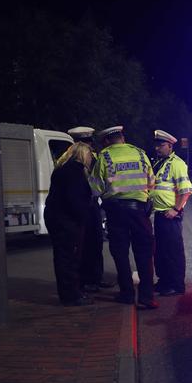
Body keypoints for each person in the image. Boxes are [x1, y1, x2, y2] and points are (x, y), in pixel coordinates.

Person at [88, 126, 158, 309]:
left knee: (120, 252)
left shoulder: (105, 156)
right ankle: (147, 297)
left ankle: (126, 294)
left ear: (106, 141)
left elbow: (95, 189)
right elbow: (151, 182)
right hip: (139, 210)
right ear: (122, 138)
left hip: (115, 211)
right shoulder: (140, 154)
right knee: (144, 253)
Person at [44, 142, 95, 306]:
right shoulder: (75, 171)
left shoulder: (61, 168)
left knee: (62, 256)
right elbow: (75, 200)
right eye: (89, 155)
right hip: (67, 220)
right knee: (69, 258)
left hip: (56, 217)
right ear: (83, 155)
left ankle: (69, 293)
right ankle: (71, 296)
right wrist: (84, 216)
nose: (90, 158)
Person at [66, 126, 114, 293]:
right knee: (85, 244)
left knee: (96, 242)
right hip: (83, 204)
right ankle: (86, 280)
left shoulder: (94, 157)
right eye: (87, 143)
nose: (90, 146)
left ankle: (96, 277)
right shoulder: (72, 160)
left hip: (92, 204)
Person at [150, 130, 192, 296]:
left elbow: (186, 191)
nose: (157, 148)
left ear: (170, 145)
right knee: (161, 251)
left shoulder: (177, 164)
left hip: (170, 216)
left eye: (161, 145)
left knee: (173, 251)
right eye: (156, 145)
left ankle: (176, 285)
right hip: (160, 214)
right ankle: (164, 282)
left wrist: (176, 209)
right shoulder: (158, 163)